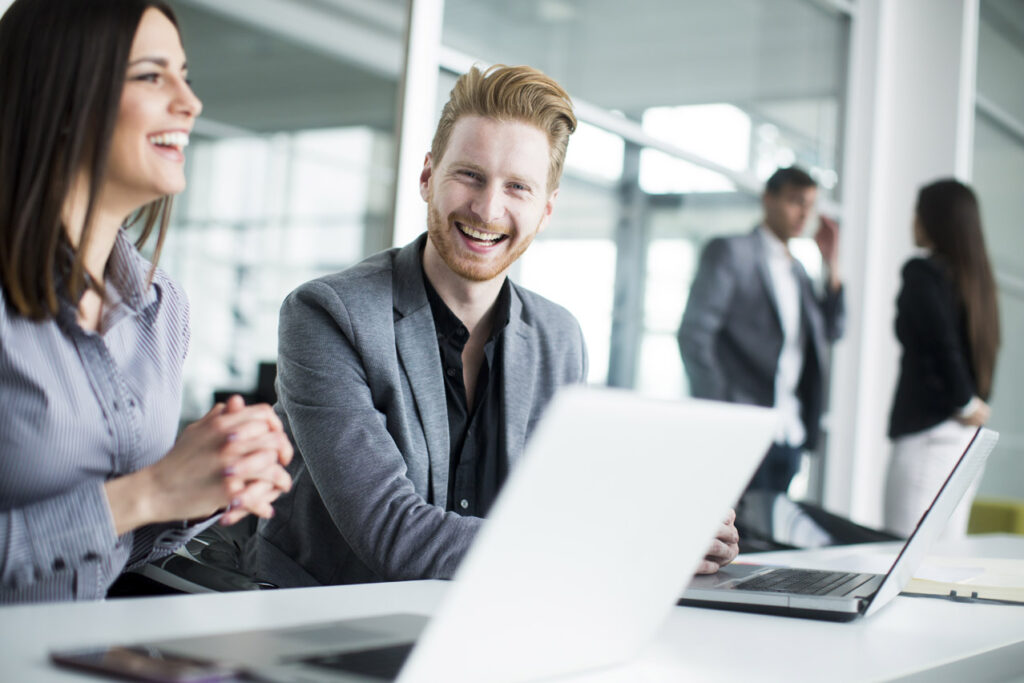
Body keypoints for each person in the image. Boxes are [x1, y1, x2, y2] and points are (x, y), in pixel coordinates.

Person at [248, 64, 740, 587]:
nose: (487, 208)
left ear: (546, 209)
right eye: (470, 175)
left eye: (517, 187)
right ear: (427, 177)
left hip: (487, 611)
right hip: (325, 618)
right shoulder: (326, 315)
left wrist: (675, 523)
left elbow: (560, 503)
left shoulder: (558, 337)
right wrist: (624, 543)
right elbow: (394, 534)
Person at [0, 0, 292, 604]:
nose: (190, 102)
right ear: (61, 97)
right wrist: (149, 492)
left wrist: (203, 489)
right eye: (152, 76)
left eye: (185, 75)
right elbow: (127, 506)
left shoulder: (162, 309)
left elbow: (114, 551)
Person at [678, 166, 844, 495]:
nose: (804, 213)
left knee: (773, 539)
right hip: (741, 430)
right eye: (795, 201)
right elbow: (694, 336)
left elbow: (832, 331)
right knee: (734, 539)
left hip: (789, 433)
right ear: (769, 200)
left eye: (810, 205)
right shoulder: (731, 252)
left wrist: (832, 264)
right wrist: (722, 411)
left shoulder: (798, 271)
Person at [885, 179, 1000, 538]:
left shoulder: (922, 273)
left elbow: (941, 342)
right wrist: (969, 402)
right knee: (946, 560)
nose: (913, 222)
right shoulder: (977, 282)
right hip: (963, 440)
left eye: (917, 213)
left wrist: (964, 401)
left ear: (933, 220)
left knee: (901, 557)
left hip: (929, 437)